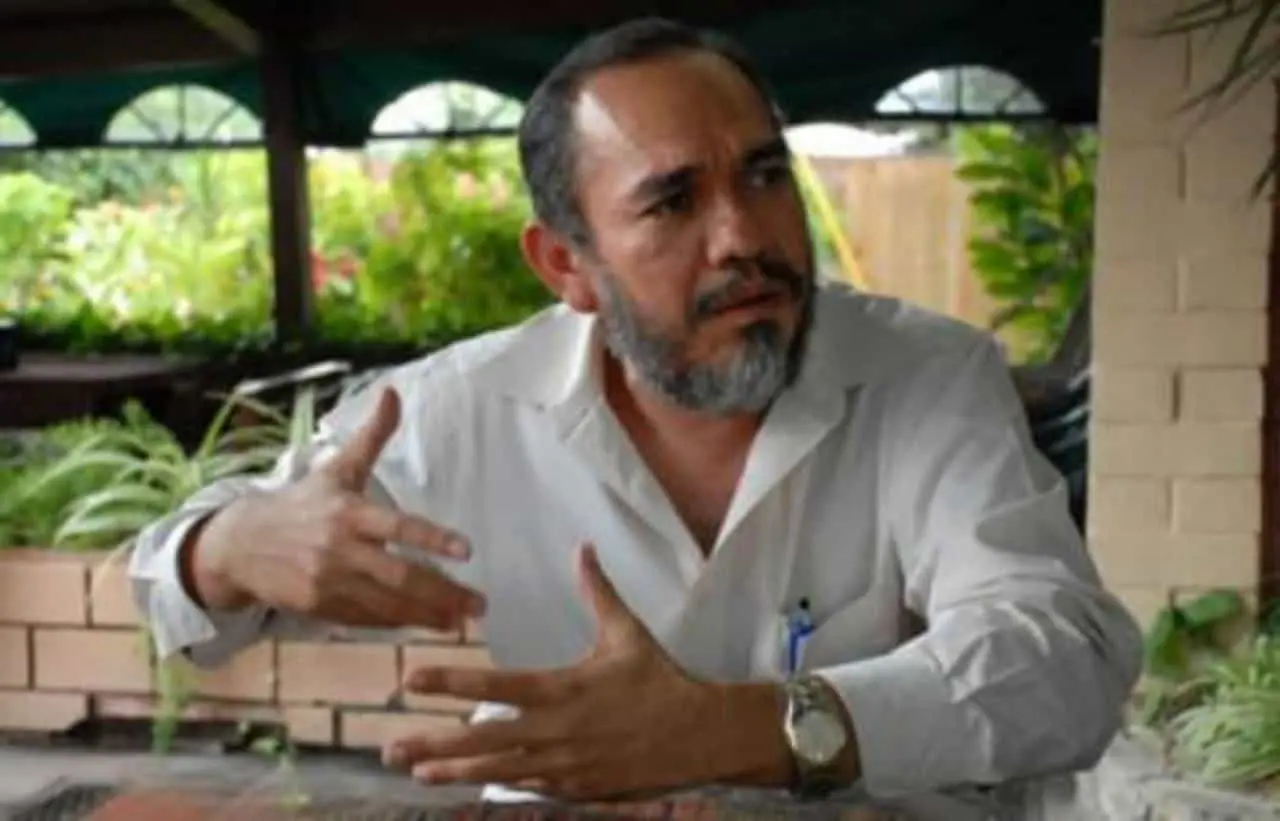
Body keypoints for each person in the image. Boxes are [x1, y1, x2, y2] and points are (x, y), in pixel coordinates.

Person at [128, 16, 1142, 815]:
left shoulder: (923, 376)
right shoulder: (456, 411)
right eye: (672, 202)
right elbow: (171, 585)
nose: (743, 237)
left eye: (764, 176)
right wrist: (231, 547)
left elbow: (1065, 656)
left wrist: (743, 730)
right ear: (565, 264)